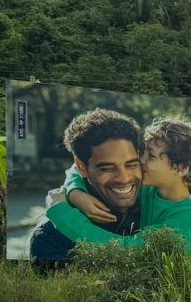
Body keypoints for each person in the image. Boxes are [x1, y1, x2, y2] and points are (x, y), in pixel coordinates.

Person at [44, 117, 191, 259]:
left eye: (151, 156)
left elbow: (127, 251)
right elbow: (77, 168)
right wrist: (76, 193)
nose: (140, 160)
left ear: (180, 168)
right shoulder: (155, 188)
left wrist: (62, 213)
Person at [28, 110, 143, 263]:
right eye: (107, 168)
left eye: (131, 164)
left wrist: (73, 190)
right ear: (82, 167)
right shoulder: (51, 237)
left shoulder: (159, 202)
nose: (124, 178)